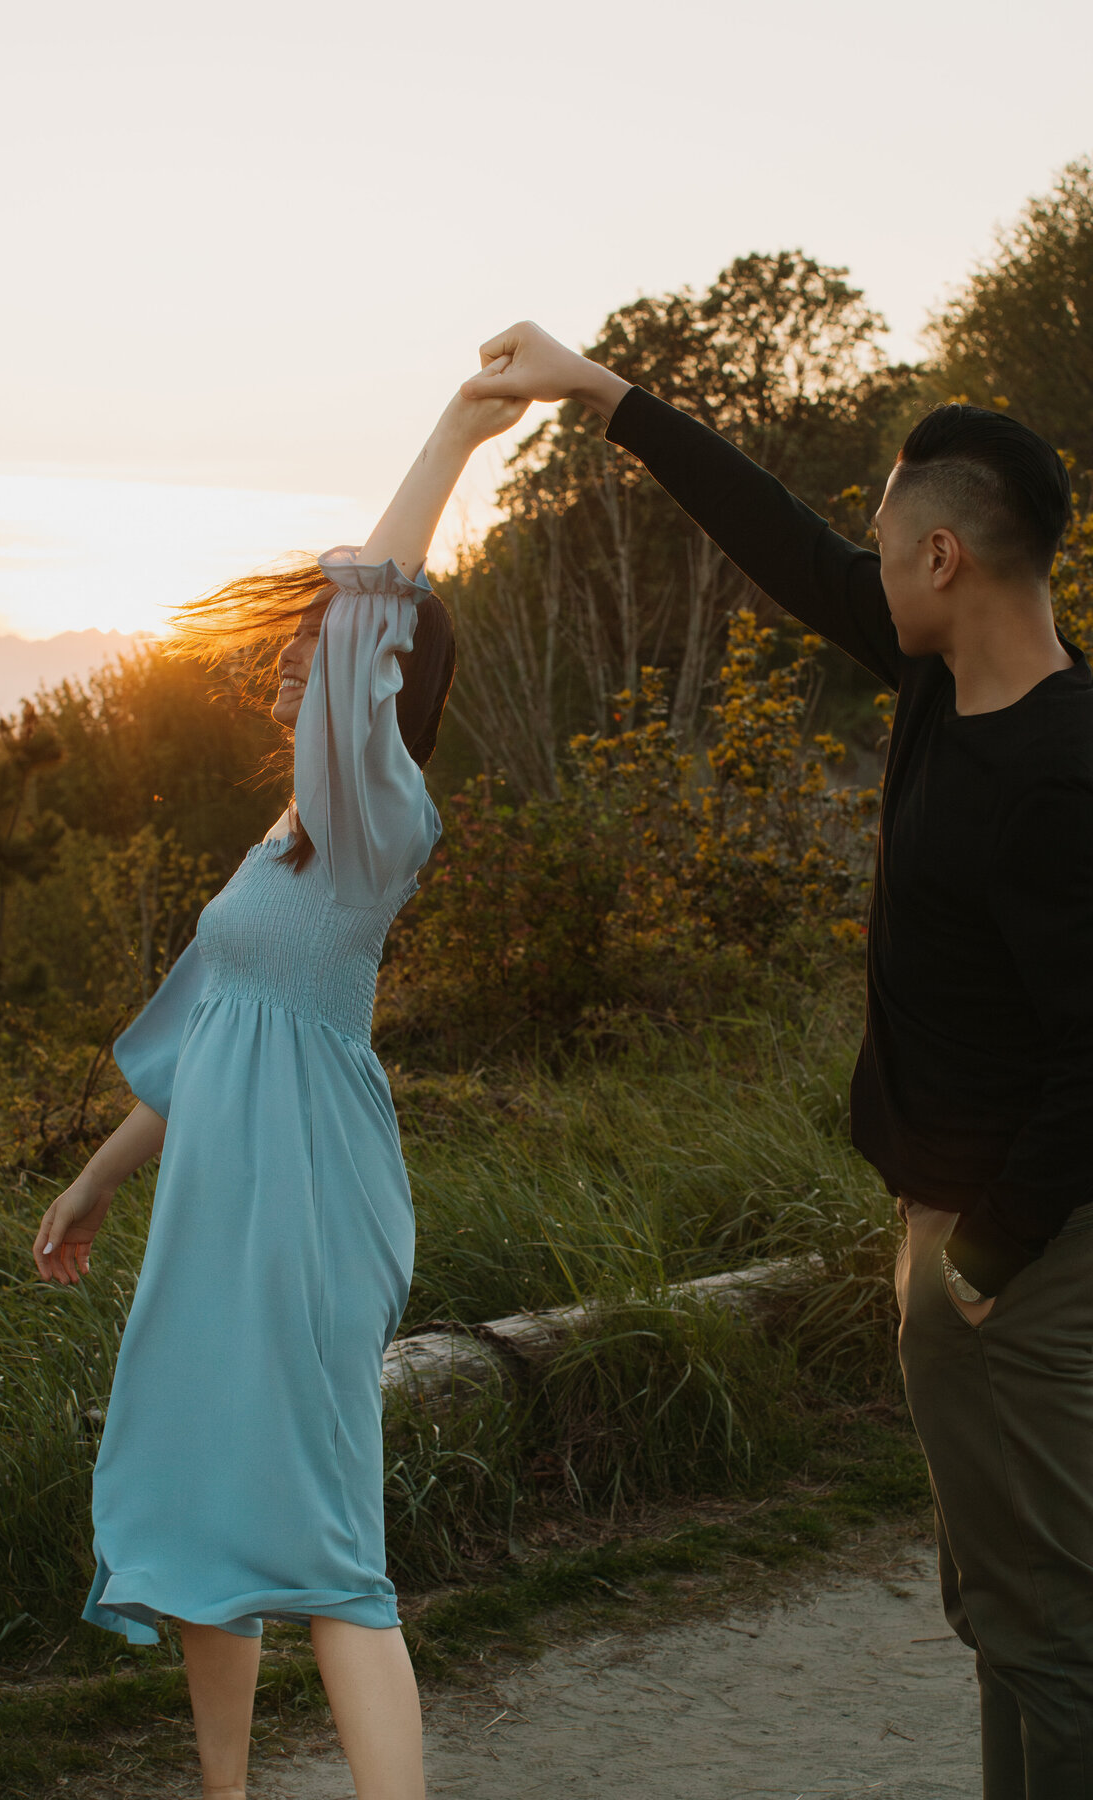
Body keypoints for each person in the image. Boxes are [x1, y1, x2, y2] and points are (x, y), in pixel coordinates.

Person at [463, 323, 1093, 1798]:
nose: (862, 570)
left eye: (886, 548)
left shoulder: (1066, 773)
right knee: (1003, 1612)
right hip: (962, 1239)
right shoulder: (948, 681)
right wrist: (605, 397)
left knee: (1055, 1627)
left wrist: (986, 1259)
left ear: (944, 557)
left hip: (1029, 1262)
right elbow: (785, 544)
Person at [31, 368, 526, 1800]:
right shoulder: (291, 829)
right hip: (212, 1208)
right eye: (307, 645)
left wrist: (451, 435)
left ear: (381, 683)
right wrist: (91, 1182)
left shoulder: (382, 819)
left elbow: (381, 599)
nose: (301, 660)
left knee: (327, 1545)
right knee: (192, 1497)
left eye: (327, 648)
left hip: (307, 1204)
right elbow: (206, 1032)